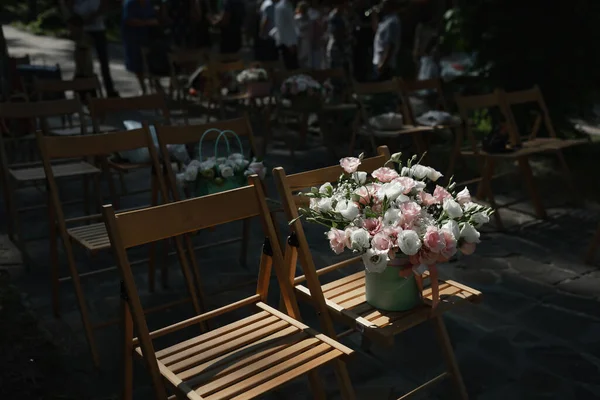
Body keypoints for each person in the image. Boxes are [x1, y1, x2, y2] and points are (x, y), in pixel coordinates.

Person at [72, 0, 119, 97]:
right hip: (82, 29)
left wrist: (95, 15)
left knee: (104, 62)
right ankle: (84, 92)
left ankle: (110, 90)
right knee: (83, 63)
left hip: (98, 28)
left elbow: (106, 5)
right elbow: (68, 4)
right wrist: (77, 19)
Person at [121, 0, 159, 94]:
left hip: (147, 37)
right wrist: (146, 22)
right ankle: (143, 88)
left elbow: (154, 17)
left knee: (152, 61)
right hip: (133, 37)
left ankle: (156, 84)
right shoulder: (130, 4)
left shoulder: (148, 3)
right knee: (137, 64)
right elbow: (129, 20)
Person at [372, 0, 401, 81]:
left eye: (383, 4)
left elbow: (390, 45)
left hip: (385, 64)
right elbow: (377, 32)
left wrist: (383, 64)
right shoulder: (386, 20)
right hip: (378, 61)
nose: (381, 5)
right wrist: (374, 16)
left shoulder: (392, 22)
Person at [326, 0, 352, 74]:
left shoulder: (343, 14)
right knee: (337, 73)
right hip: (337, 49)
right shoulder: (335, 16)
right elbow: (337, 34)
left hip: (344, 48)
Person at [274, 0, 298, 69]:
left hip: (292, 42)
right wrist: (289, 43)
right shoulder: (281, 7)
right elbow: (280, 27)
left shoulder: (288, 5)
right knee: (289, 67)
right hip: (286, 43)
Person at [295, 1, 313, 68]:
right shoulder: (297, 18)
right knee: (301, 59)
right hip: (301, 40)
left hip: (305, 40)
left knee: (305, 59)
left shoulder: (308, 18)